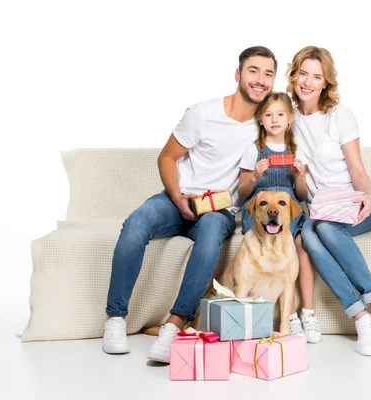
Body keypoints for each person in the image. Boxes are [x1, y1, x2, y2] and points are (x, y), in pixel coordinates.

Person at [101, 46, 277, 363]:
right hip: (179, 198)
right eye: (253, 71)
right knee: (136, 223)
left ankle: (175, 324)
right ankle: (115, 319)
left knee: (211, 234)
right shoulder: (202, 113)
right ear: (238, 75)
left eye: (268, 74)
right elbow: (167, 157)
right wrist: (178, 196)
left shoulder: (265, 126)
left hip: (220, 209)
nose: (260, 80)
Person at [287, 46, 371, 355]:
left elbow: (356, 168)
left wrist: (367, 194)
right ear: (294, 75)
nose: (308, 82)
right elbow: (301, 190)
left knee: (321, 230)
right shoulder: (287, 118)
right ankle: (362, 316)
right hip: (320, 210)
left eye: (317, 76)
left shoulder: (340, 116)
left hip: (355, 202)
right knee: (311, 233)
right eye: (303, 74)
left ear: (326, 82)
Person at [236, 92, 322, 343]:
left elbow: (302, 195)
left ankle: (300, 315)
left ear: (290, 119)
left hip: (290, 210)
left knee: (300, 247)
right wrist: (254, 176)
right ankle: (286, 317)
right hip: (262, 212)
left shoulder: (297, 151)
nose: (275, 120)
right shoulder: (254, 151)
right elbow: (242, 194)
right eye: (269, 115)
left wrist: (299, 176)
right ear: (260, 120)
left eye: (280, 114)